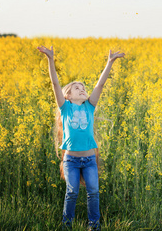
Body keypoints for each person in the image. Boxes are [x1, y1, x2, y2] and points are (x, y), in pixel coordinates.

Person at [38, 45, 125, 230]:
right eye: (77, 88)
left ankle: (94, 226)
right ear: (67, 96)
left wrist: (110, 62)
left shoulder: (89, 106)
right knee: (72, 192)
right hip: (70, 160)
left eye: (83, 87)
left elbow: (100, 85)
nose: (82, 89)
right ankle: (66, 225)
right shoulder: (65, 108)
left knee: (93, 192)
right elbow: (55, 84)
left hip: (89, 159)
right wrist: (50, 60)